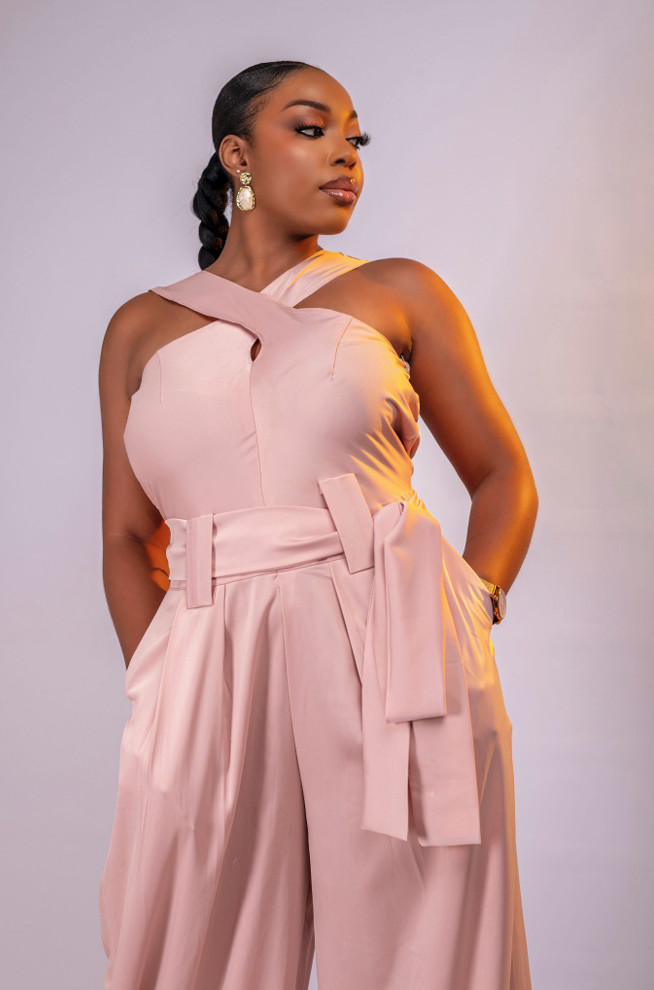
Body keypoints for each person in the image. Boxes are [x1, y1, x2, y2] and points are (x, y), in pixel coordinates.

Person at [98, 59, 537, 990]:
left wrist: (472, 605)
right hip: (209, 654)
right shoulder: (139, 329)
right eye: (311, 128)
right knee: (190, 949)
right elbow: (127, 537)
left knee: (420, 937)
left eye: (355, 137)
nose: (346, 153)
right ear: (237, 155)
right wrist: (160, 678)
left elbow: (502, 475)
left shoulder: (400, 290)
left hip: (396, 642)